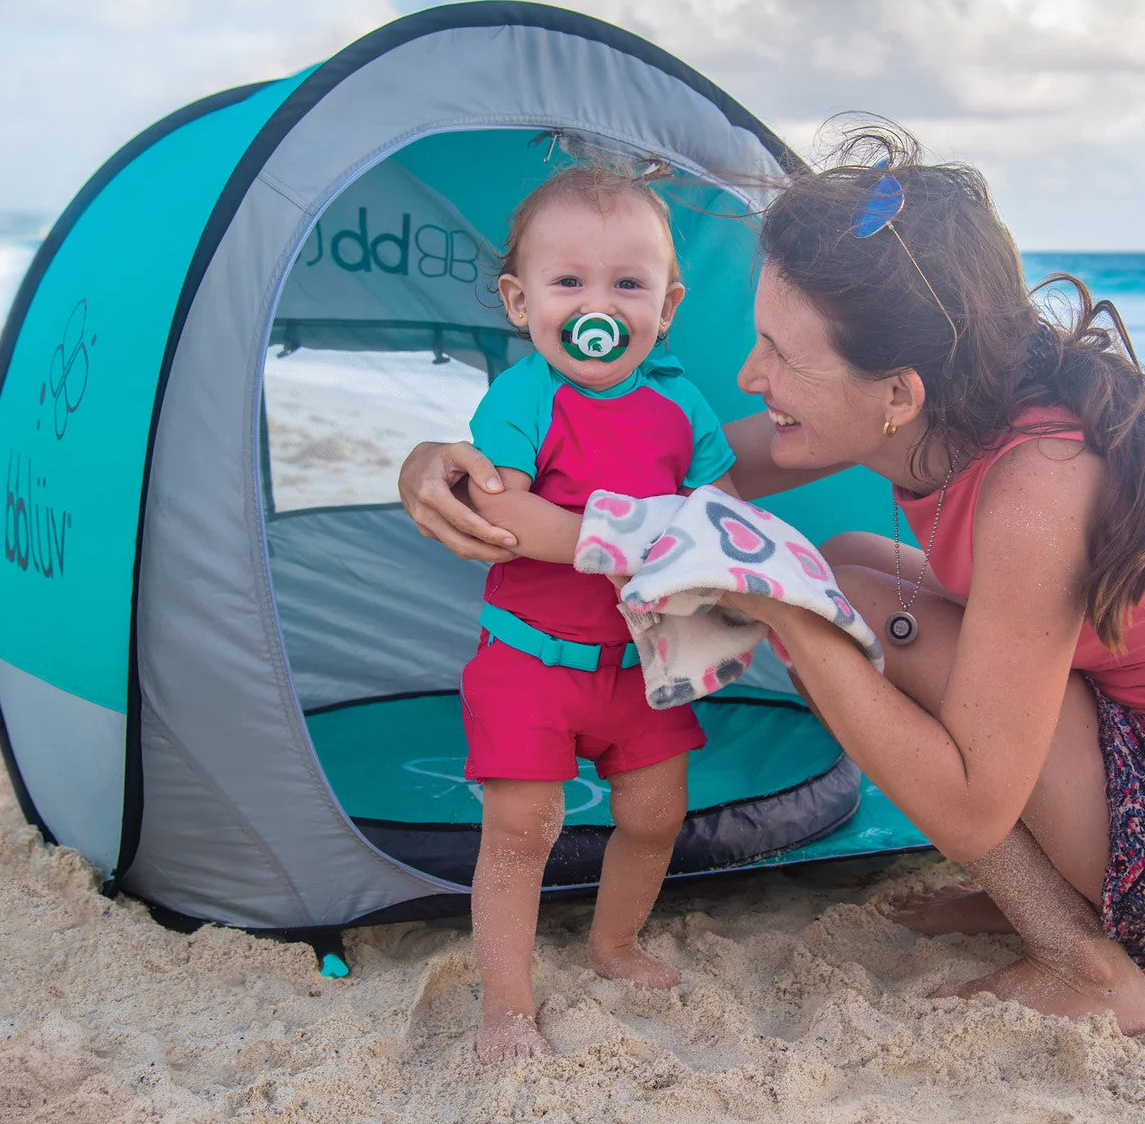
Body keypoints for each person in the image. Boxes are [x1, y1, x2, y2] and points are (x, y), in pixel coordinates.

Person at [399, 127, 1145, 1036]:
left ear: (897, 394)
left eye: (782, 356)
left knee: (843, 603)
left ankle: (1086, 961)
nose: (752, 377)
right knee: (852, 568)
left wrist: (792, 622)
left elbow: (975, 802)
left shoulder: (1041, 483)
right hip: (1113, 734)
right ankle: (1048, 894)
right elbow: (677, 478)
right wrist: (435, 462)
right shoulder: (953, 409)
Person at [452, 164, 738, 1063]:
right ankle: (505, 1006)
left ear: (668, 305)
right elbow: (504, 511)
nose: (596, 305)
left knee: (655, 814)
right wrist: (620, 538)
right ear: (519, 298)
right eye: (567, 282)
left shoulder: (678, 403)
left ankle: (612, 943)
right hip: (528, 664)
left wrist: (711, 567)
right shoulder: (523, 399)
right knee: (520, 832)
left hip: (639, 667)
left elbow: (715, 509)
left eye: (627, 283)